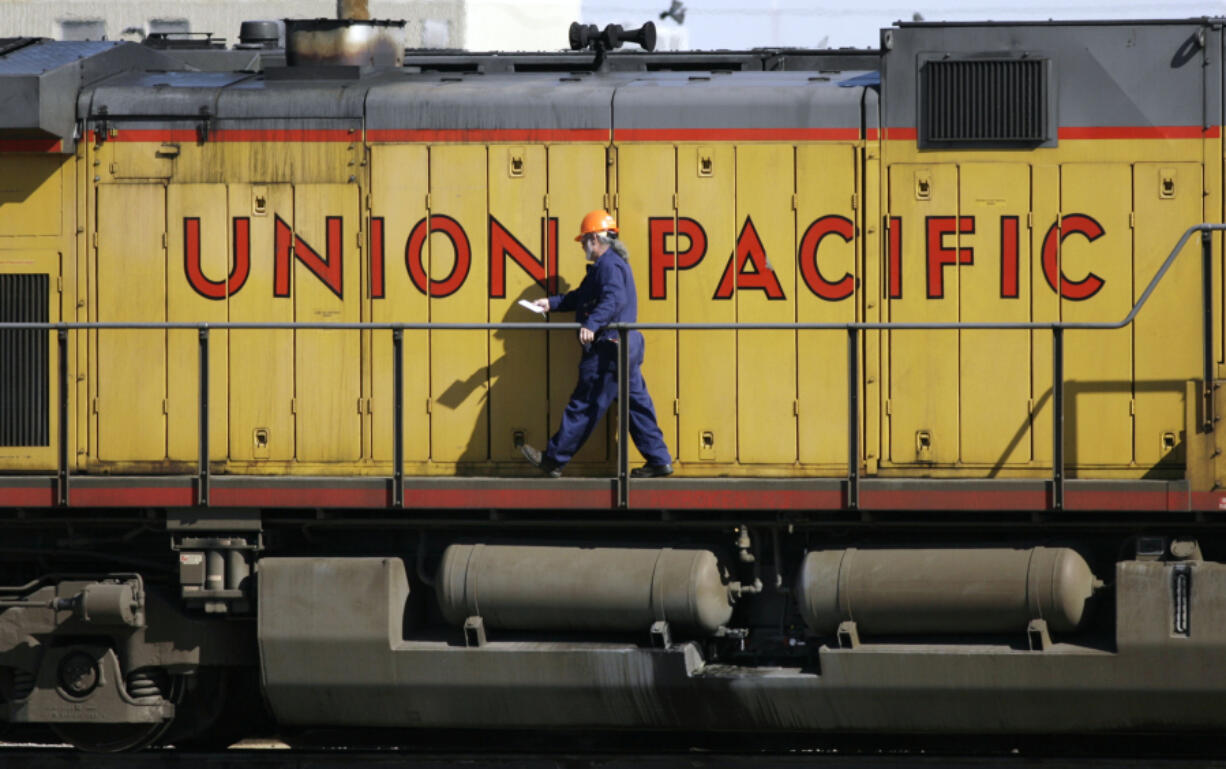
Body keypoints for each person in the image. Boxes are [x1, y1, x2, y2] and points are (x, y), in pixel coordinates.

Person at [520, 209, 673, 479]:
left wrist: (591, 325)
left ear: (594, 239)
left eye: (583, 242)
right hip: (625, 345)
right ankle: (659, 460)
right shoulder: (609, 266)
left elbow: (614, 300)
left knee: (586, 401)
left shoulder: (608, 266)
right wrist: (551, 303)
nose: (582, 248)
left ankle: (553, 460)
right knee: (636, 405)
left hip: (609, 348)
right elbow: (582, 297)